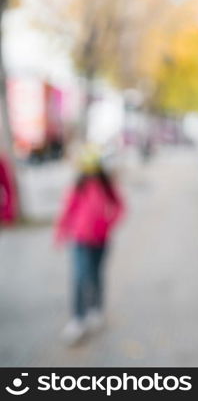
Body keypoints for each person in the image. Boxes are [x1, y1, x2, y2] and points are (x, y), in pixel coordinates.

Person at [55, 145, 124, 345]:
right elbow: (67, 210)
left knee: (96, 275)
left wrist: (109, 223)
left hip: (101, 241)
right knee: (80, 277)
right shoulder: (78, 187)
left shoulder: (107, 186)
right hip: (80, 240)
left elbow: (120, 206)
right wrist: (61, 232)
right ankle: (77, 318)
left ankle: (96, 309)